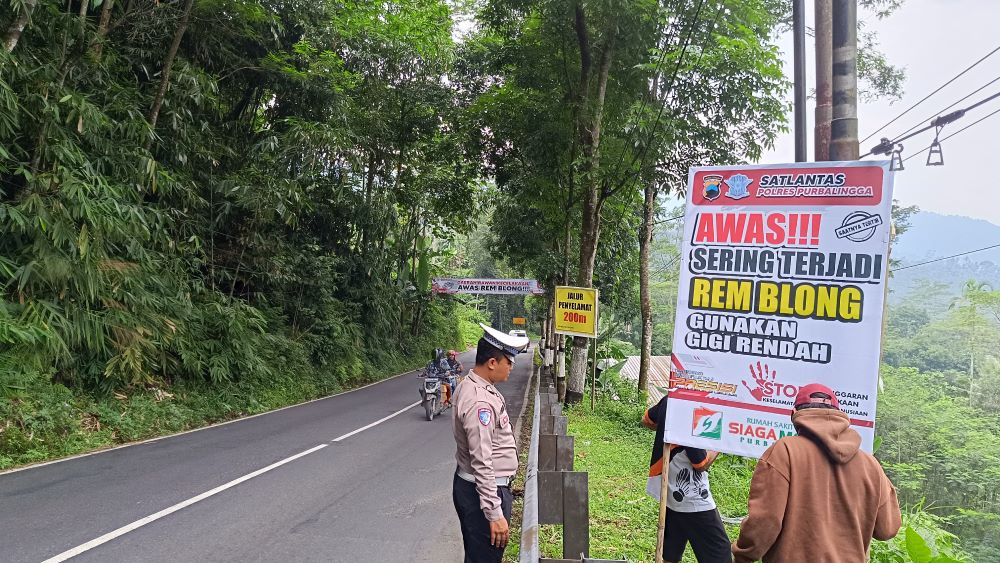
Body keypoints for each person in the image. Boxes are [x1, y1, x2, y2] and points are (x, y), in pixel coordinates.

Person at [732, 383, 902, 563]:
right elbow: (887, 528)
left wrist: (743, 556)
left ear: (794, 413)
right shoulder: (870, 465)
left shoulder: (785, 452)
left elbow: (765, 521)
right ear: (840, 415)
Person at [452, 323, 528, 563]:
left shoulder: (476, 385)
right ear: (492, 363)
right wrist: (494, 513)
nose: (512, 367)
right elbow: (482, 461)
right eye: (509, 361)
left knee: (477, 556)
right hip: (484, 493)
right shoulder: (480, 403)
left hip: (478, 490)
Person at [642, 395, 733, 563]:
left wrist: (670, 432)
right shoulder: (691, 405)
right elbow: (701, 463)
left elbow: (647, 419)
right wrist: (722, 443)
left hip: (668, 489)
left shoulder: (671, 398)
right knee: (719, 552)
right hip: (692, 494)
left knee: (670, 553)